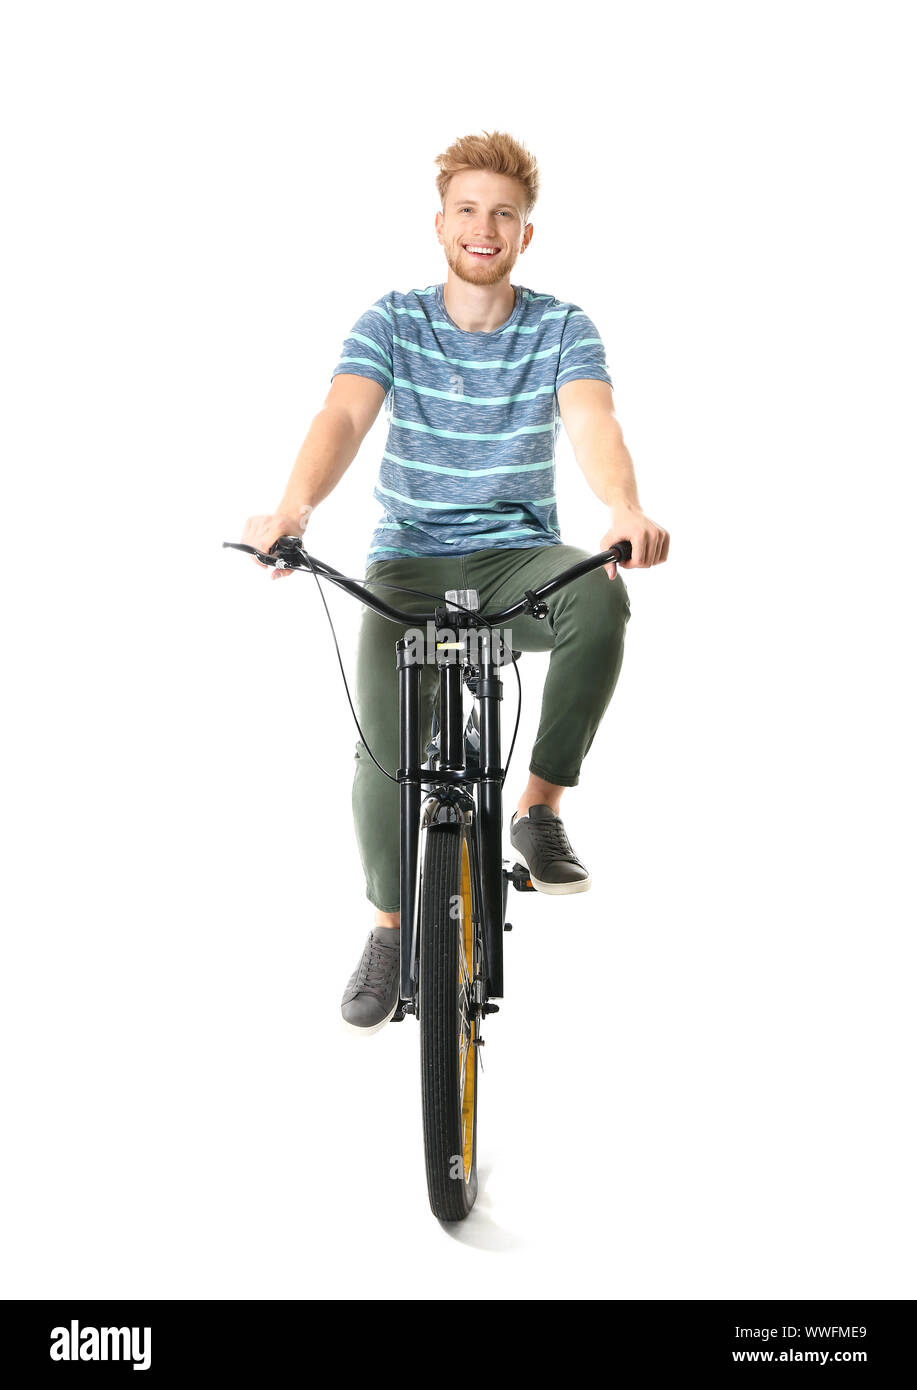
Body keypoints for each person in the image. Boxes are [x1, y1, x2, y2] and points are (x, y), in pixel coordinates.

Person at [241, 130, 669, 1034]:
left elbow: (592, 420)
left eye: (503, 214)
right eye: (468, 211)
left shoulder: (561, 325)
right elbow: (343, 415)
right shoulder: (393, 319)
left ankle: (539, 808)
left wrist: (622, 508)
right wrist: (293, 509)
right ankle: (392, 927)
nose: (485, 227)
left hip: (518, 555)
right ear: (441, 224)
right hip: (408, 563)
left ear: (524, 234)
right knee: (381, 748)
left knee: (599, 596)